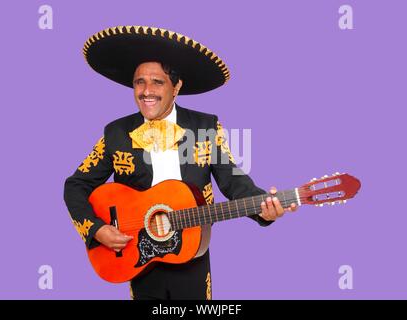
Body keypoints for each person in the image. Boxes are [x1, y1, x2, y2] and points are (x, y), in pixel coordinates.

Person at [64, 25, 297, 300]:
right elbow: (76, 185)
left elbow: (235, 181)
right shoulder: (116, 133)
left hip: (192, 252)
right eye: (139, 81)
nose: (146, 90)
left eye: (157, 82)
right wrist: (96, 229)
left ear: (176, 87)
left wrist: (263, 209)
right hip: (136, 257)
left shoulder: (205, 127)